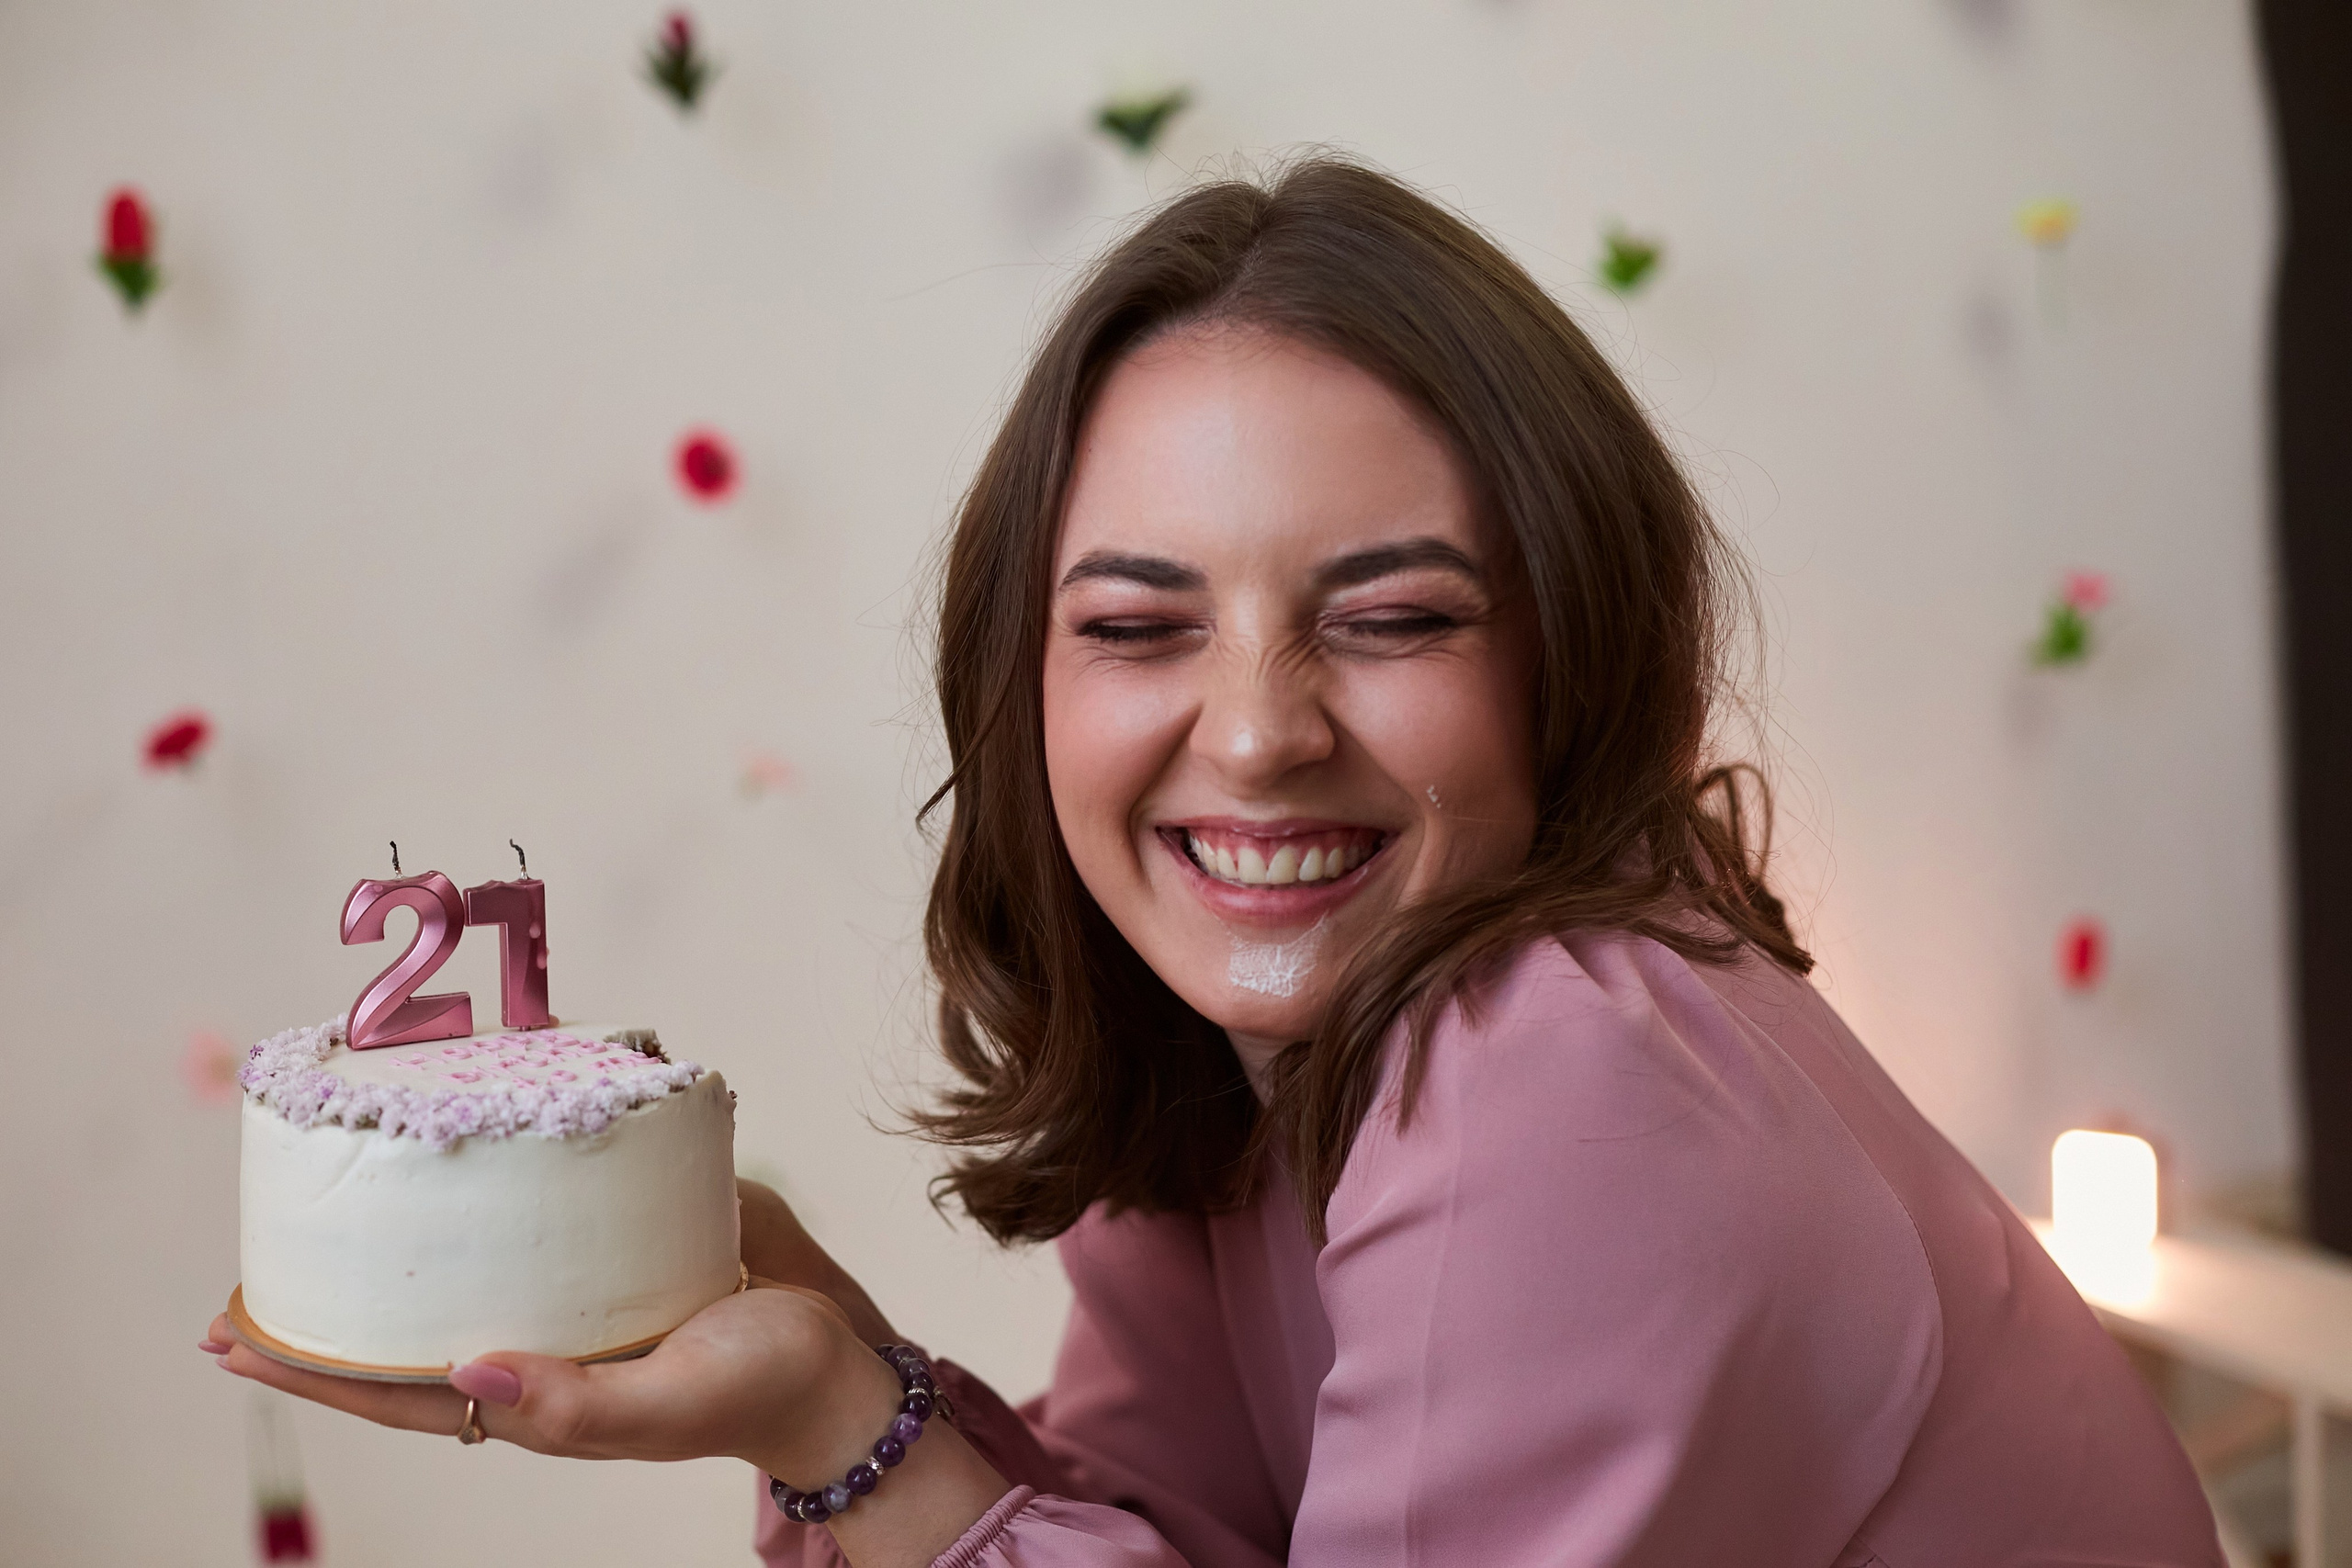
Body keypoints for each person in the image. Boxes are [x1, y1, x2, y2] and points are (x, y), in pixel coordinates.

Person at [207, 158, 2223, 1568]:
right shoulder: (1242, 1064)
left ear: (1561, 653)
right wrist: (830, 1355)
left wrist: (837, 1426)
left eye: (1395, 613)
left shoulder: (1564, 1069)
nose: (1253, 728)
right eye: (1137, 623)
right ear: (1027, 685)